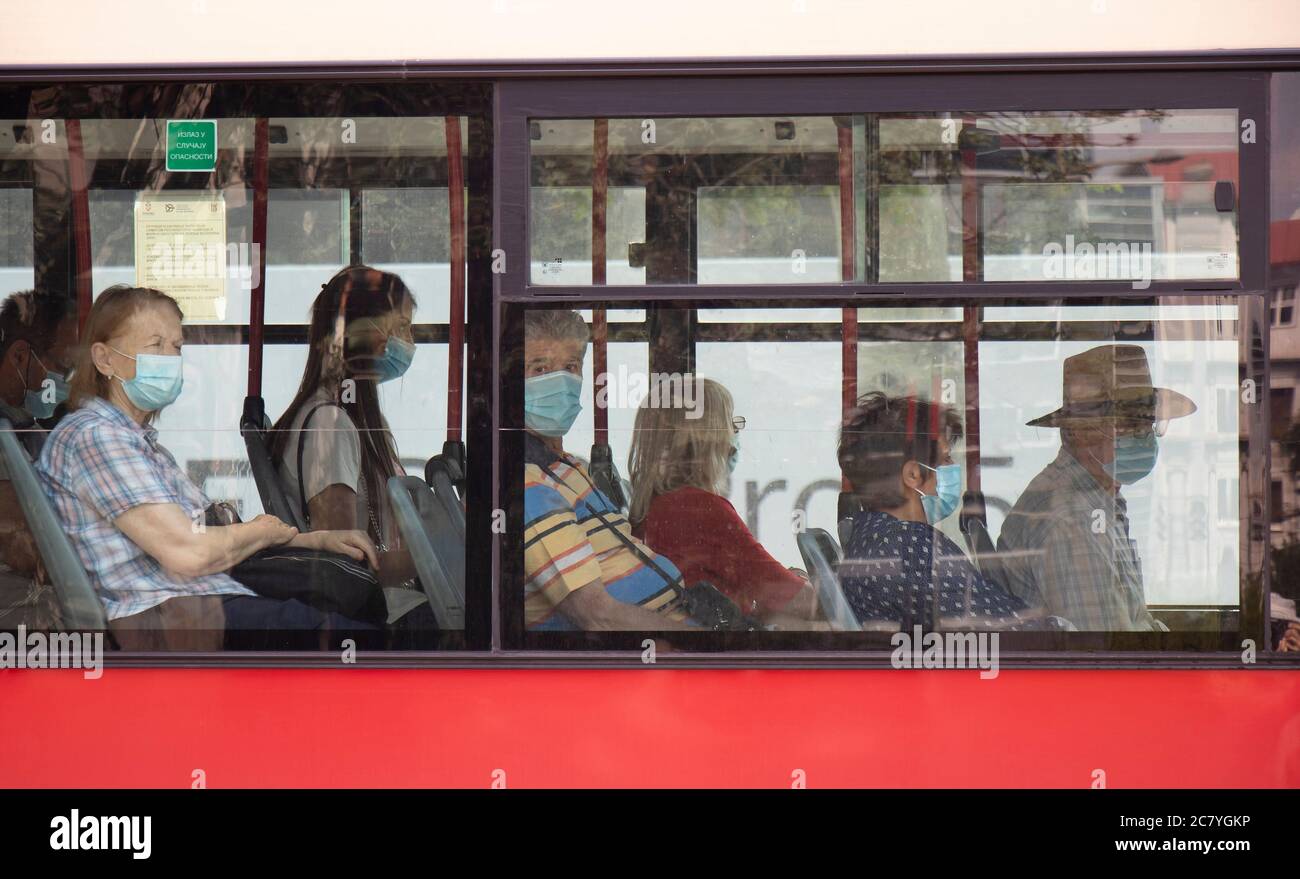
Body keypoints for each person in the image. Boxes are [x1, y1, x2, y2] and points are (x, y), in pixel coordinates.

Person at [35, 284, 381, 650]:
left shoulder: (140, 443)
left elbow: (210, 528)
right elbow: (189, 551)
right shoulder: (97, 438)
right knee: (377, 651)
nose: (169, 358)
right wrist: (261, 533)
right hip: (167, 620)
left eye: (176, 347)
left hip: (202, 606)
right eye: (155, 346)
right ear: (104, 359)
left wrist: (313, 541)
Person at [987, 344, 1194, 631]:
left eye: (1148, 424)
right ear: (1081, 432)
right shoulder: (1073, 520)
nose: (1144, 437)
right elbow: (1112, 649)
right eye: (1128, 425)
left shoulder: (1099, 499)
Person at [521, 309, 691, 631]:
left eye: (570, 367)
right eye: (540, 368)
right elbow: (598, 616)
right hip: (638, 658)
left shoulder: (571, 467)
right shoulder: (527, 486)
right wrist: (705, 647)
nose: (560, 381)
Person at [836, 391, 1053, 631]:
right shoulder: (911, 546)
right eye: (946, 459)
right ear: (913, 475)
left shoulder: (870, 535)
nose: (952, 468)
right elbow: (1010, 629)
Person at [270, 266, 420, 588]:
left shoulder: (362, 420)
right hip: (379, 613)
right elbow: (344, 565)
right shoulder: (331, 425)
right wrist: (435, 556)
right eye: (403, 328)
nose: (411, 344)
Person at [628, 375, 818, 622]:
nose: (734, 437)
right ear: (707, 440)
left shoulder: (655, 504)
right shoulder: (698, 508)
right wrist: (828, 594)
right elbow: (792, 598)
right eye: (730, 424)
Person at [0, 290, 77, 626]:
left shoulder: (26, 427)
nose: (66, 384)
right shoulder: (5, 435)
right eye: (62, 369)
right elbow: (24, 545)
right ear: (20, 357)